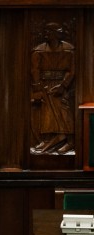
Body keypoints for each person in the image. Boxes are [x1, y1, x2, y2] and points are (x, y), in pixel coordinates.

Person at [31, 22, 75, 155]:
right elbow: (35, 70)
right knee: (47, 112)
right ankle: (48, 138)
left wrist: (63, 86)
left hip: (61, 84)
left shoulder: (68, 49)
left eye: (49, 32)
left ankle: (69, 140)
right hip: (45, 84)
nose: (46, 34)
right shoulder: (39, 50)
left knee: (63, 111)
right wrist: (38, 87)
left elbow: (72, 70)